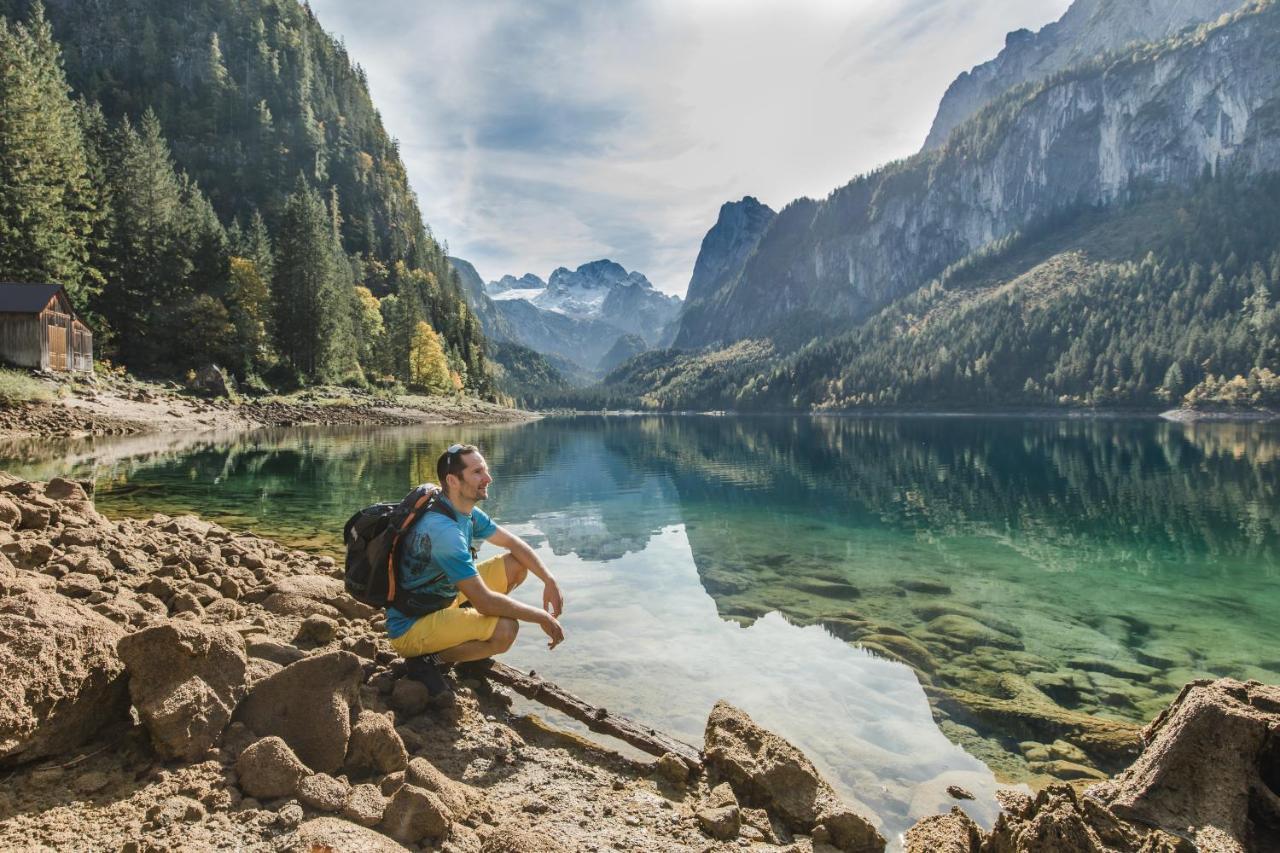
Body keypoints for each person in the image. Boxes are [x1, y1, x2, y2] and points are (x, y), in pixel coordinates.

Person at [385, 443, 565, 697]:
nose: (488, 478)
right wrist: (541, 616)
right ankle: (429, 661)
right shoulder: (444, 532)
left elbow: (513, 543)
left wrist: (549, 579)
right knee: (506, 629)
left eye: (486, 470)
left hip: (439, 601)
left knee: (516, 565)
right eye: (477, 472)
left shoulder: (462, 512)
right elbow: (485, 602)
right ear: (453, 481)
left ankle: (469, 641)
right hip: (411, 627)